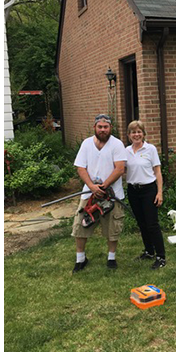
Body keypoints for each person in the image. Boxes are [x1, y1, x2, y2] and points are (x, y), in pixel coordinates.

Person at [71, 114, 126, 273]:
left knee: (112, 227)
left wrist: (104, 186)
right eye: (100, 127)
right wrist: (92, 187)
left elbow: (120, 168)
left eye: (106, 127)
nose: (103, 130)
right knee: (80, 225)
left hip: (112, 194)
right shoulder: (86, 144)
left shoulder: (117, 144)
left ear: (110, 128)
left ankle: (111, 258)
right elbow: (80, 167)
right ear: (94, 127)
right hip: (89, 194)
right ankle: (80, 259)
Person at [124, 120, 166, 270]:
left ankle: (161, 257)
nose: (136, 134)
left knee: (152, 224)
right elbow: (120, 170)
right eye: (133, 132)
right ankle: (149, 251)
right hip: (133, 191)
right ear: (129, 135)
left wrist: (159, 192)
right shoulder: (126, 151)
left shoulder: (150, 149)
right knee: (141, 223)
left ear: (143, 134)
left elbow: (157, 171)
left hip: (149, 190)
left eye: (139, 131)